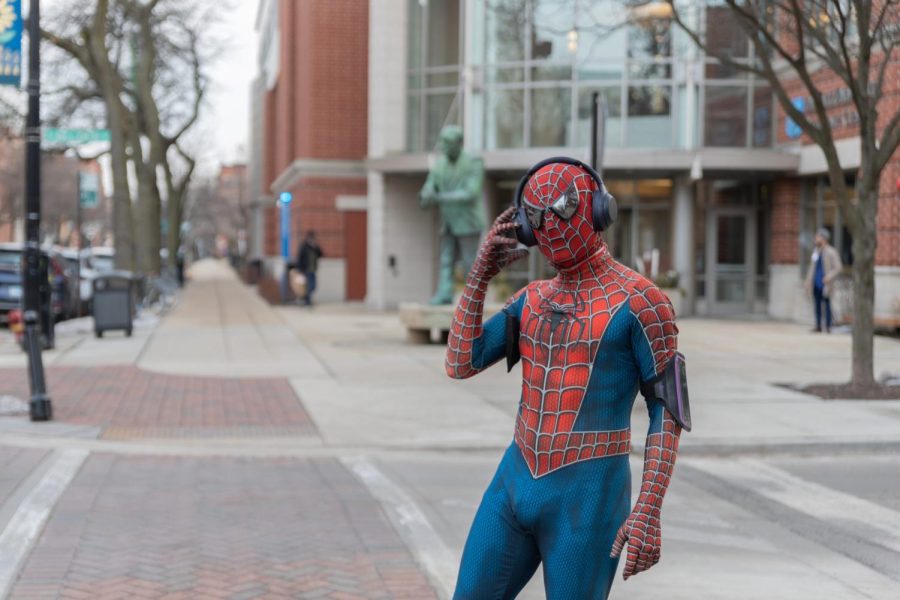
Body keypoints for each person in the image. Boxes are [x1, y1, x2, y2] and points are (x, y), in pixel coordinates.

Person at [446, 158, 690, 599]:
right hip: (515, 477)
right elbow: (461, 362)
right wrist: (479, 276)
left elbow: (668, 411)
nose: (549, 225)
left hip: (590, 494)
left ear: (599, 209)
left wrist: (649, 509)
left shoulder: (644, 303)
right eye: (535, 216)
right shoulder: (531, 300)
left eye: (563, 207)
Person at [419, 125, 486, 305]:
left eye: (447, 143)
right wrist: (426, 194)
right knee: (446, 259)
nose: (443, 146)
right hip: (448, 221)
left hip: (468, 221)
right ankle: (444, 293)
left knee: (469, 262)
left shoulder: (473, 161)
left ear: (458, 143)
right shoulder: (440, 165)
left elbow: (471, 192)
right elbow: (430, 185)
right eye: (442, 142)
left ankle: (473, 298)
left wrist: (439, 197)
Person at [804, 228, 842, 333]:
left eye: (817, 237)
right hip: (815, 283)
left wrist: (829, 277)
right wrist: (808, 281)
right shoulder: (816, 252)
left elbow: (838, 267)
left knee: (827, 305)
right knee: (817, 305)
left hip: (825, 283)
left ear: (824, 238)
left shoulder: (831, 252)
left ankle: (828, 326)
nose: (816, 239)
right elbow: (812, 268)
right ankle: (818, 325)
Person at [296, 231, 323, 306]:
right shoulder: (304, 246)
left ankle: (305, 298)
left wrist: (316, 247)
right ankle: (308, 301)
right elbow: (299, 258)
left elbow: (321, 254)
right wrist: (299, 269)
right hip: (306, 269)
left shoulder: (315, 247)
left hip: (313, 269)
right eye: (311, 238)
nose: (312, 240)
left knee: (313, 286)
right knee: (308, 285)